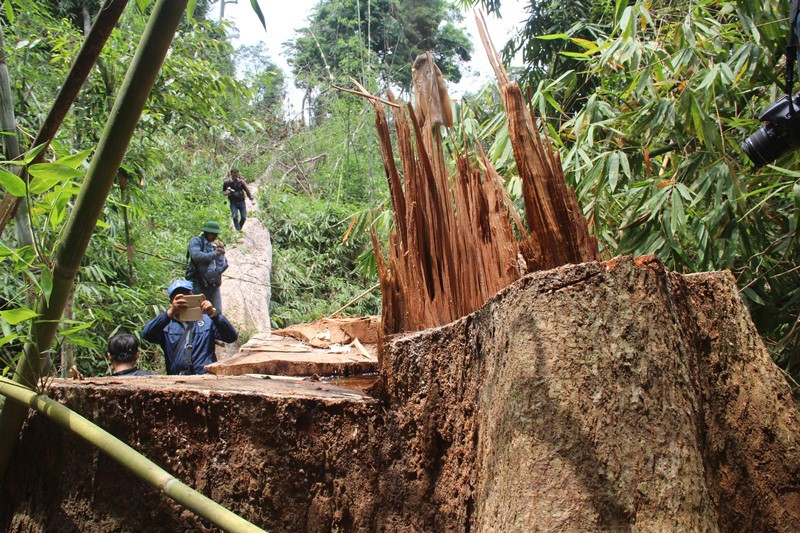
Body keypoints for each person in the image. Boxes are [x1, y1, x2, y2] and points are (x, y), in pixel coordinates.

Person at [141, 279, 238, 375]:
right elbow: (147, 335)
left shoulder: (207, 320)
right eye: (178, 297)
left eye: (187, 295)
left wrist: (214, 314)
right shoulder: (166, 324)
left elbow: (231, 337)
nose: (183, 300)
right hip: (177, 380)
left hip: (205, 378)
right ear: (171, 302)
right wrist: (170, 313)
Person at [186, 220, 228, 313]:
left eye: (216, 234)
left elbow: (222, 267)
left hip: (213, 283)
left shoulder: (213, 246)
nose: (215, 236)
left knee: (217, 312)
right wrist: (214, 254)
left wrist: (220, 253)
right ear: (207, 232)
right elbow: (196, 255)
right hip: (198, 282)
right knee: (198, 311)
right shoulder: (196, 241)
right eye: (213, 234)